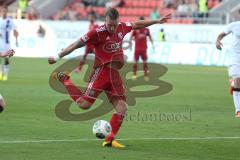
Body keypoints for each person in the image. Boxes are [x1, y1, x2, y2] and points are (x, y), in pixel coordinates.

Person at [48, 7, 171, 148]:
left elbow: (137, 24)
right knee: (84, 105)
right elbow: (75, 45)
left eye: (114, 25)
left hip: (114, 75)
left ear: (118, 21)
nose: (112, 28)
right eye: (109, 25)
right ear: (105, 21)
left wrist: (156, 20)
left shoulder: (121, 27)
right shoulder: (96, 33)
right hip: (101, 72)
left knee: (122, 108)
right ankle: (65, 79)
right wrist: (57, 57)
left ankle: (109, 140)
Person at [216, 10, 240, 118]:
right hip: (235, 59)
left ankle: (232, 83)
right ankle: (238, 110)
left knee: (237, 83)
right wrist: (217, 41)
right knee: (238, 81)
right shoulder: (234, 25)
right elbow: (221, 34)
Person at [130, 17, 154, 81]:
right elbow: (131, 37)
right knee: (135, 63)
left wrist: (152, 44)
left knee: (145, 63)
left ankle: (145, 75)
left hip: (144, 49)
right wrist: (133, 40)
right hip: (137, 49)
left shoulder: (146, 30)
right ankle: (134, 75)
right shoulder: (135, 29)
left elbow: (150, 37)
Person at [0, 6, 18, 81]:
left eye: (5, 11)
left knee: (6, 59)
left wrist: (16, 39)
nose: (4, 12)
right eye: (2, 11)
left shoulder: (9, 21)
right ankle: (0, 73)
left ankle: (5, 75)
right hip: (0, 42)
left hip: (6, 43)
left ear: (7, 12)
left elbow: (15, 31)